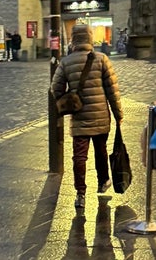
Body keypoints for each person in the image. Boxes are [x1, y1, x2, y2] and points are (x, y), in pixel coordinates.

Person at [50, 24, 123, 209]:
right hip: (100, 115)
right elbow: (112, 91)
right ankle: (103, 181)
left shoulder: (66, 62)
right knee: (101, 150)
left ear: (73, 39)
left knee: (79, 156)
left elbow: (55, 88)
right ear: (90, 38)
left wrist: (68, 98)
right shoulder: (101, 59)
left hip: (79, 117)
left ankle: (80, 194)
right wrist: (118, 114)